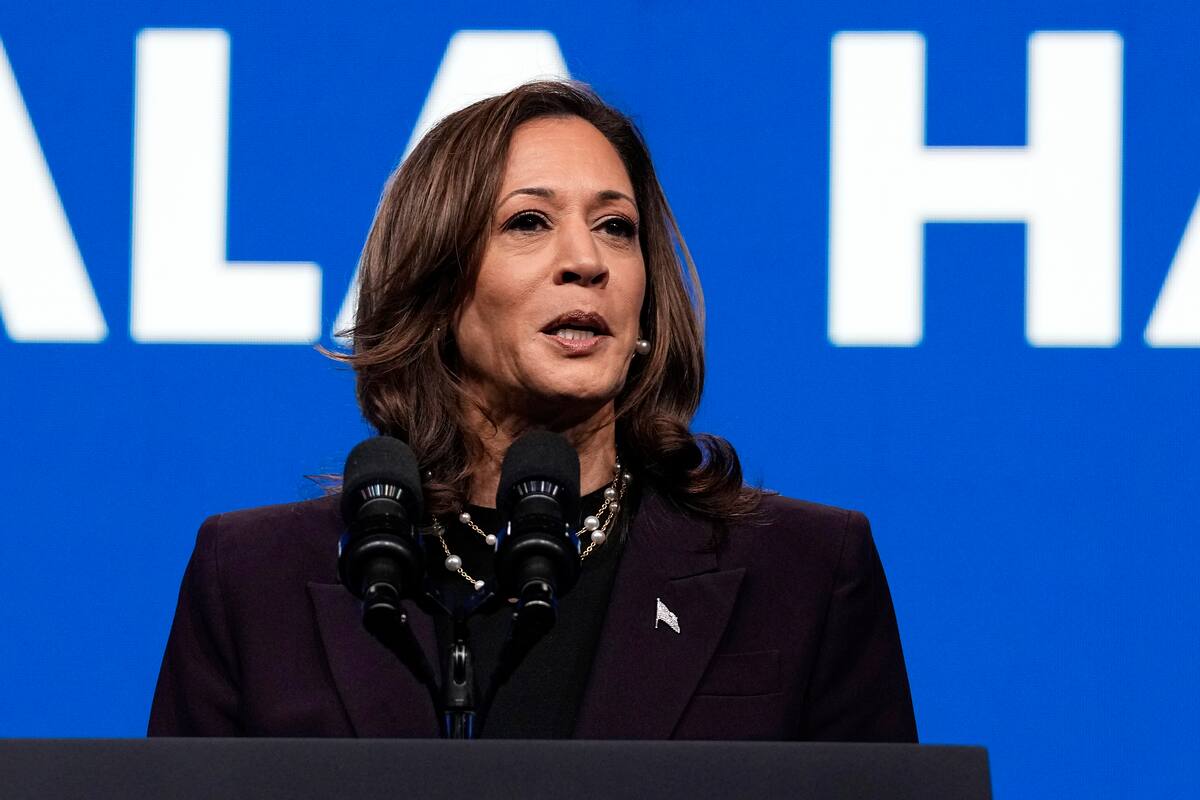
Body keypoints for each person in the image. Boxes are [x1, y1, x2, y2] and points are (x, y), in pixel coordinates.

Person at [148, 80, 917, 740]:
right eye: (529, 222)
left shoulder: (805, 572)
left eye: (616, 227)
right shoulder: (254, 583)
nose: (587, 261)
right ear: (437, 283)